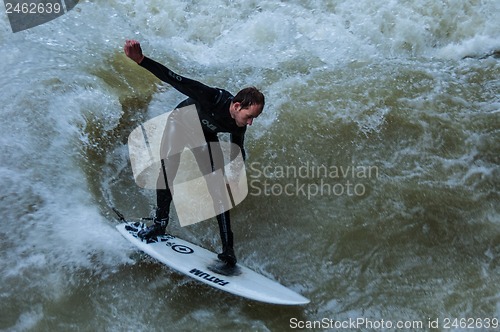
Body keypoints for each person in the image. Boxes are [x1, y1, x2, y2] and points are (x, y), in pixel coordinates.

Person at [123, 40, 265, 266]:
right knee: (168, 170)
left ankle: (228, 251)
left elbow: (238, 150)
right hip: (180, 123)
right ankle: (159, 223)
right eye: (249, 116)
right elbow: (173, 77)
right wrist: (141, 60)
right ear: (237, 106)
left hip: (205, 136)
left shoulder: (238, 125)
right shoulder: (212, 97)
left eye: (254, 118)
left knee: (218, 189)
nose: (250, 123)